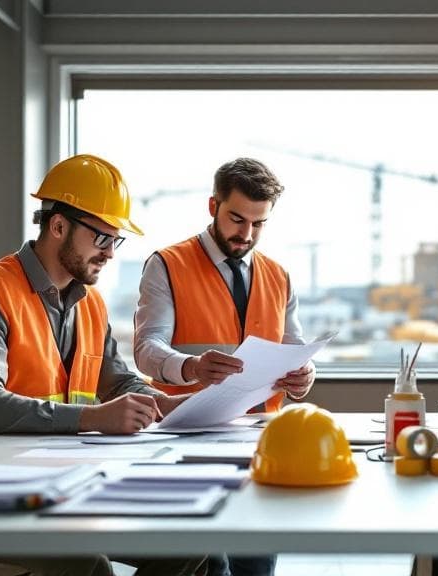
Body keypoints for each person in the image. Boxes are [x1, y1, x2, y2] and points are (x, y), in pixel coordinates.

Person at [0, 154, 203, 576]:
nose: (109, 253)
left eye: (115, 240)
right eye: (101, 238)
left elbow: (117, 379)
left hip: (51, 486)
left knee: (195, 544)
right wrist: (93, 418)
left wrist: (166, 404)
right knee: (89, 567)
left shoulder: (89, 303)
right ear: (58, 227)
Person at [133, 157, 314, 576]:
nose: (245, 233)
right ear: (212, 205)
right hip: (188, 441)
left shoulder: (279, 275)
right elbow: (146, 348)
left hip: (260, 444)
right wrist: (191, 366)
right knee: (210, 564)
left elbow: (295, 348)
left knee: (256, 564)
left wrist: (304, 377)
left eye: (258, 223)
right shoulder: (166, 264)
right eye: (236, 219)